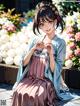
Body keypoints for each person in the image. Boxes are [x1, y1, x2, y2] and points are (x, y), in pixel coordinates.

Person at [12, 1, 74, 106]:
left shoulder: (60, 43)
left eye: (49, 22)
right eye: (42, 24)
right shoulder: (35, 40)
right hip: (30, 79)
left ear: (55, 20)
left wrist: (50, 54)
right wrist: (33, 50)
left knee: (38, 95)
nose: (46, 27)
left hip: (47, 81)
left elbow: (56, 71)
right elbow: (24, 63)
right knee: (18, 92)